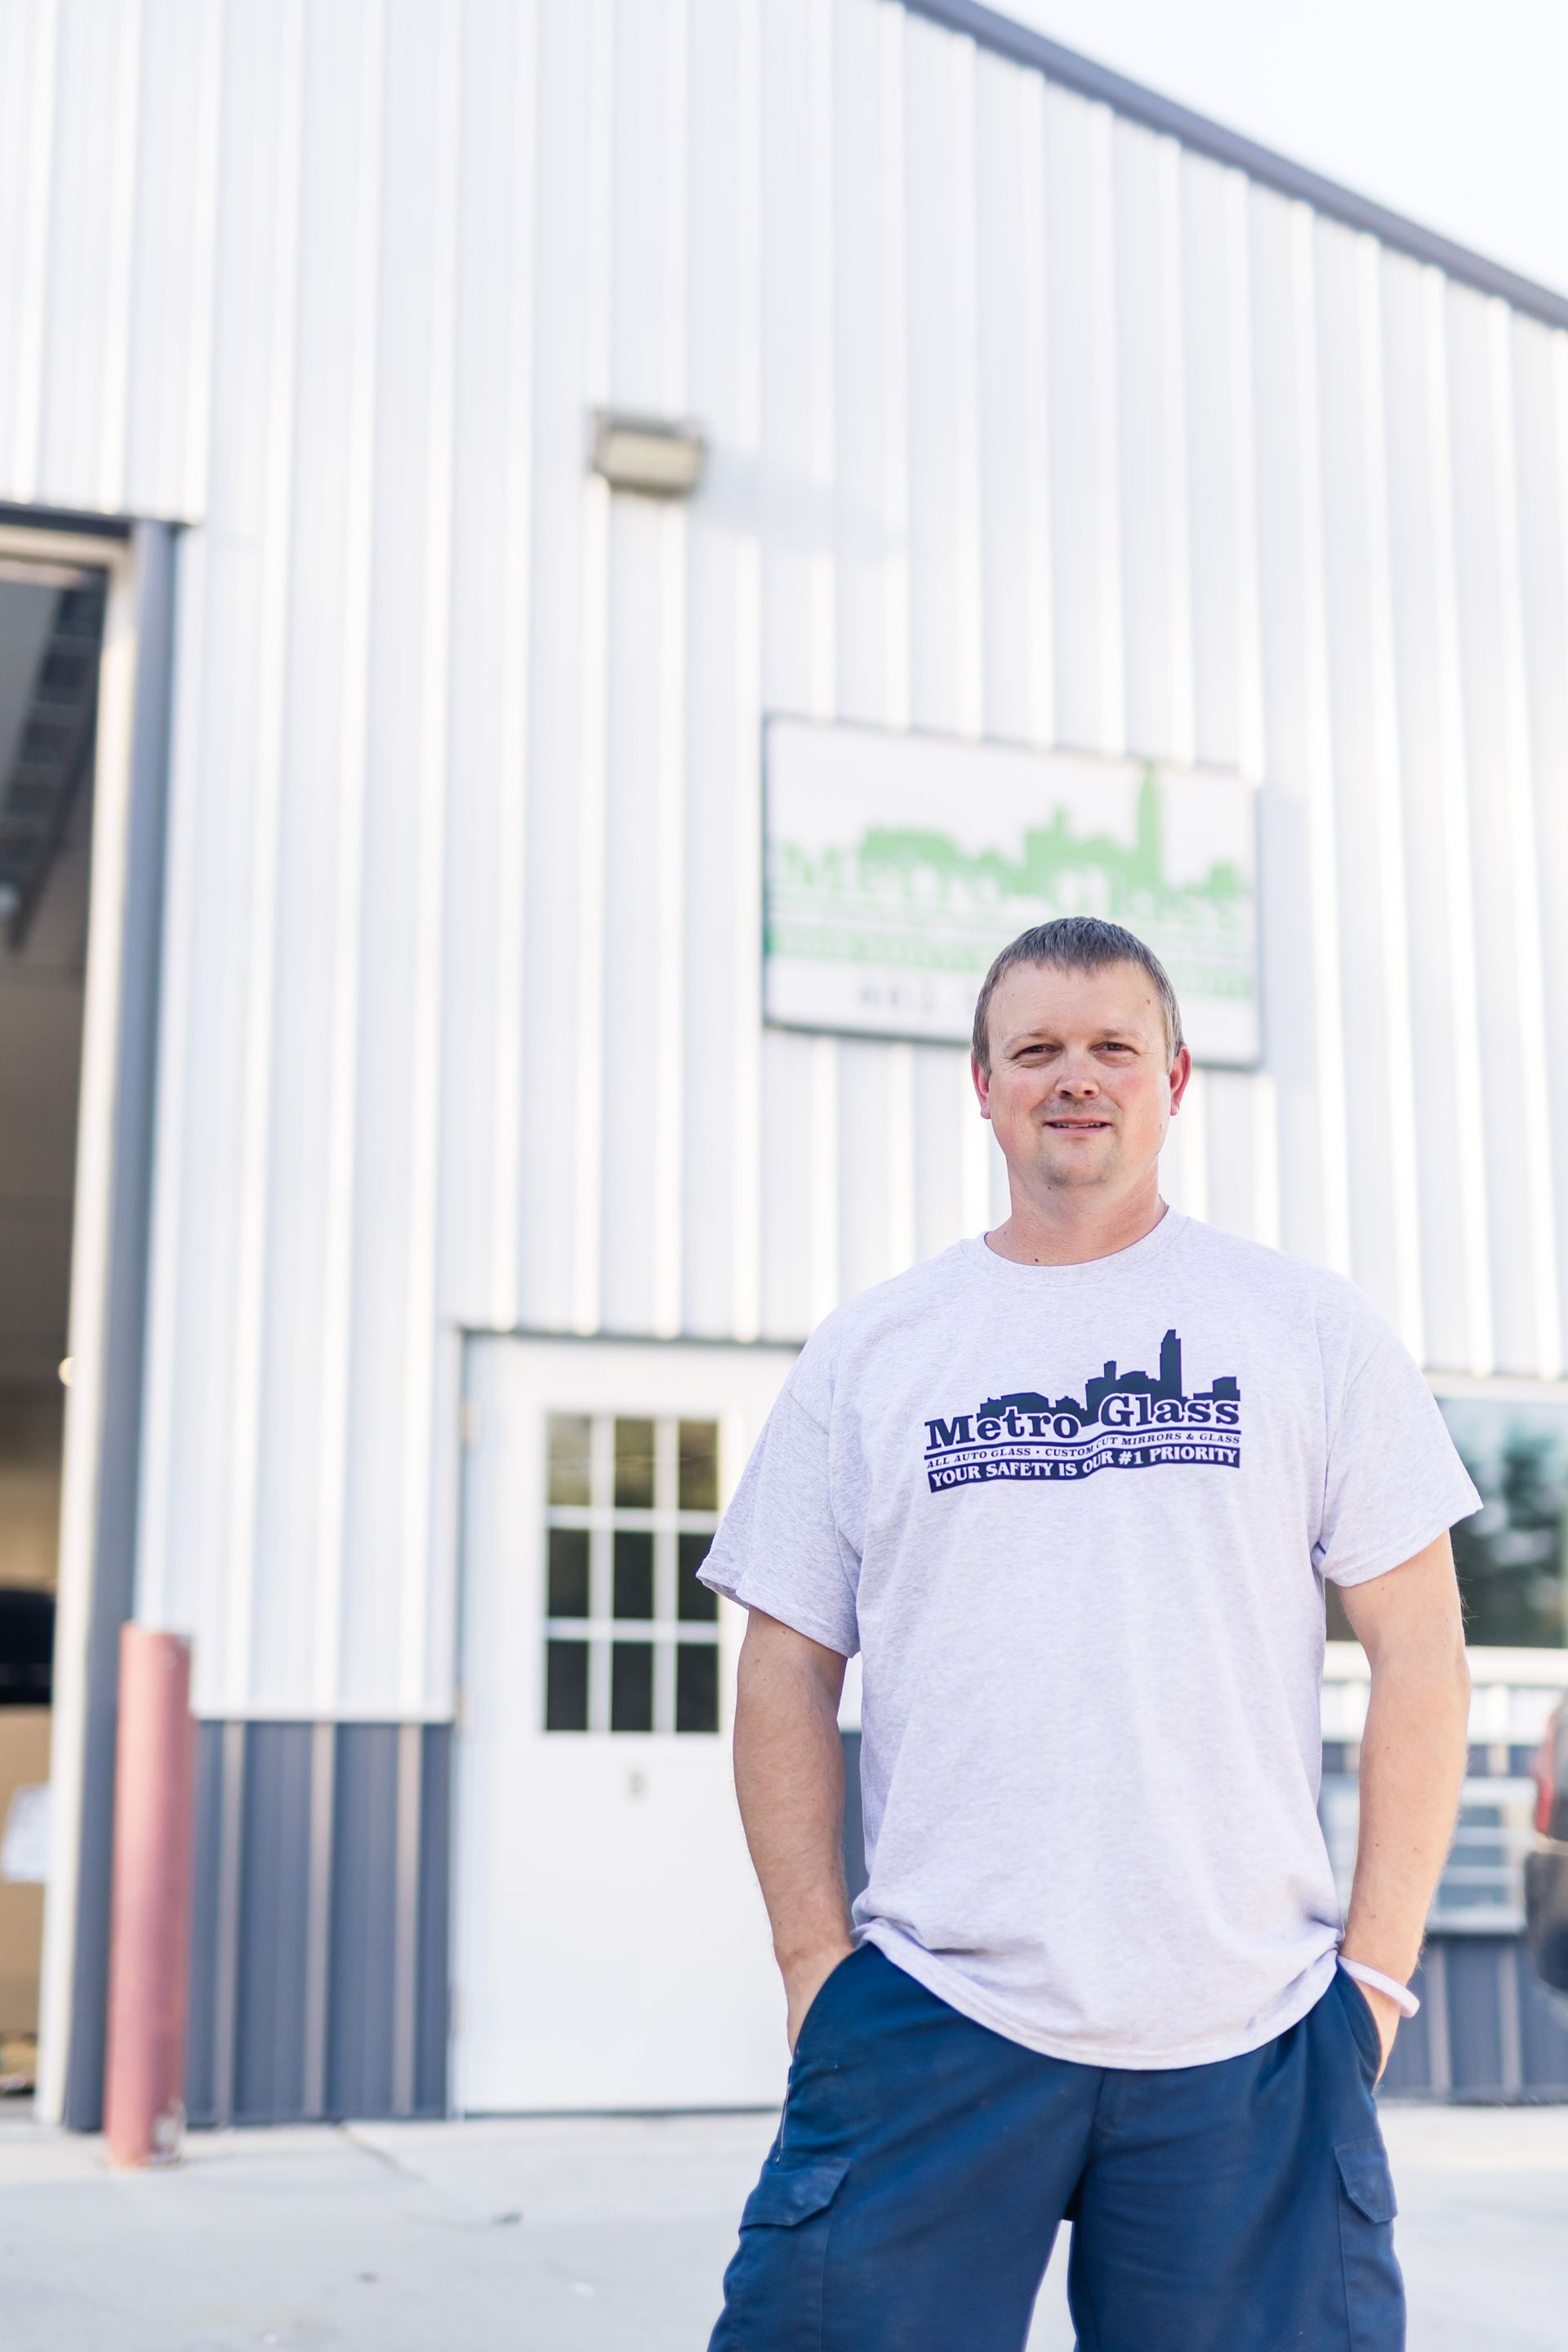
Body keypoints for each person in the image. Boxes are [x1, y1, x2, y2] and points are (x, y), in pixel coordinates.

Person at [698, 916, 1477, 2352]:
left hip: (1249, 2024)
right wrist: (814, 1965)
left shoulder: (1303, 1330)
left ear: (1175, 1080)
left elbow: (1423, 1649)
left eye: (1113, 1047)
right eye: (1036, 1049)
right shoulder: (881, 1349)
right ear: (981, 1085)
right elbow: (787, 1664)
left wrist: (1372, 1977)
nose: (1077, 1077)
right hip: (934, 2010)